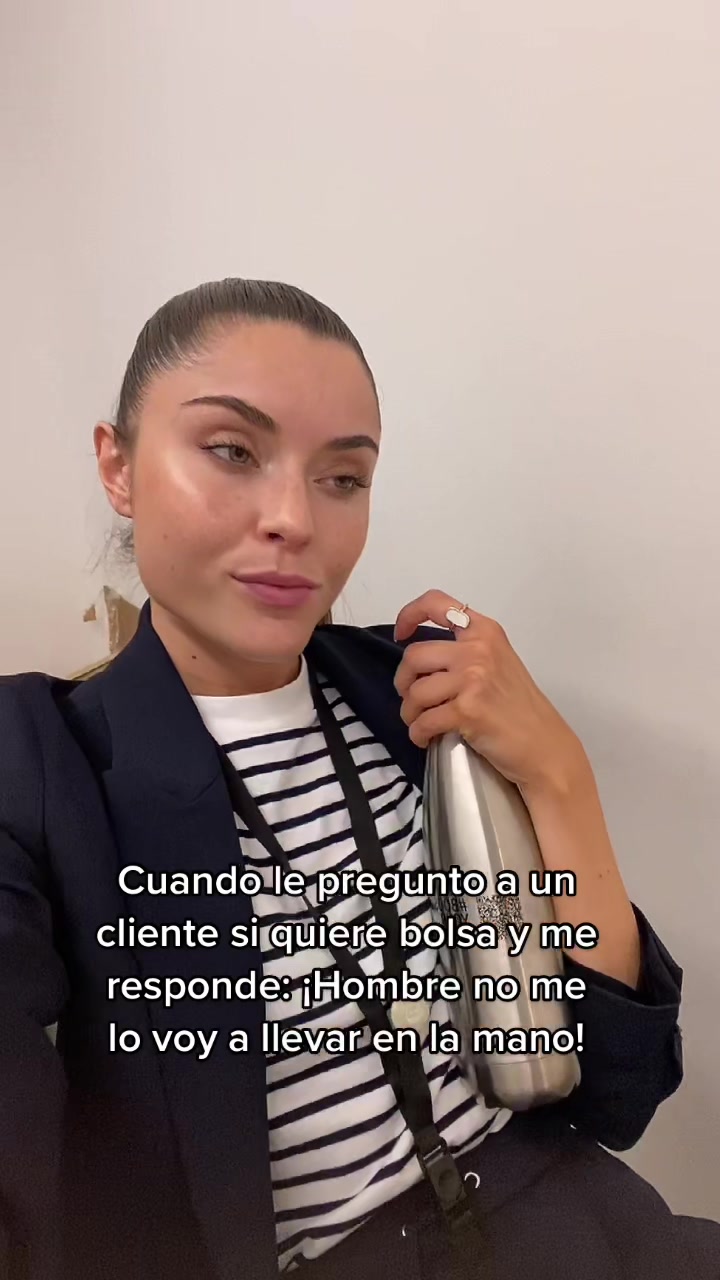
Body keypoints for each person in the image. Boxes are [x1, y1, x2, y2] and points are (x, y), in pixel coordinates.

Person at [0, 278, 717, 1280]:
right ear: (118, 467)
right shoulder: (37, 760)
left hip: (582, 1221)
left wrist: (559, 772)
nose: (294, 518)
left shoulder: (418, 693)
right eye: (232, 451)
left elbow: (620, 1091)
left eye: (343, 476)